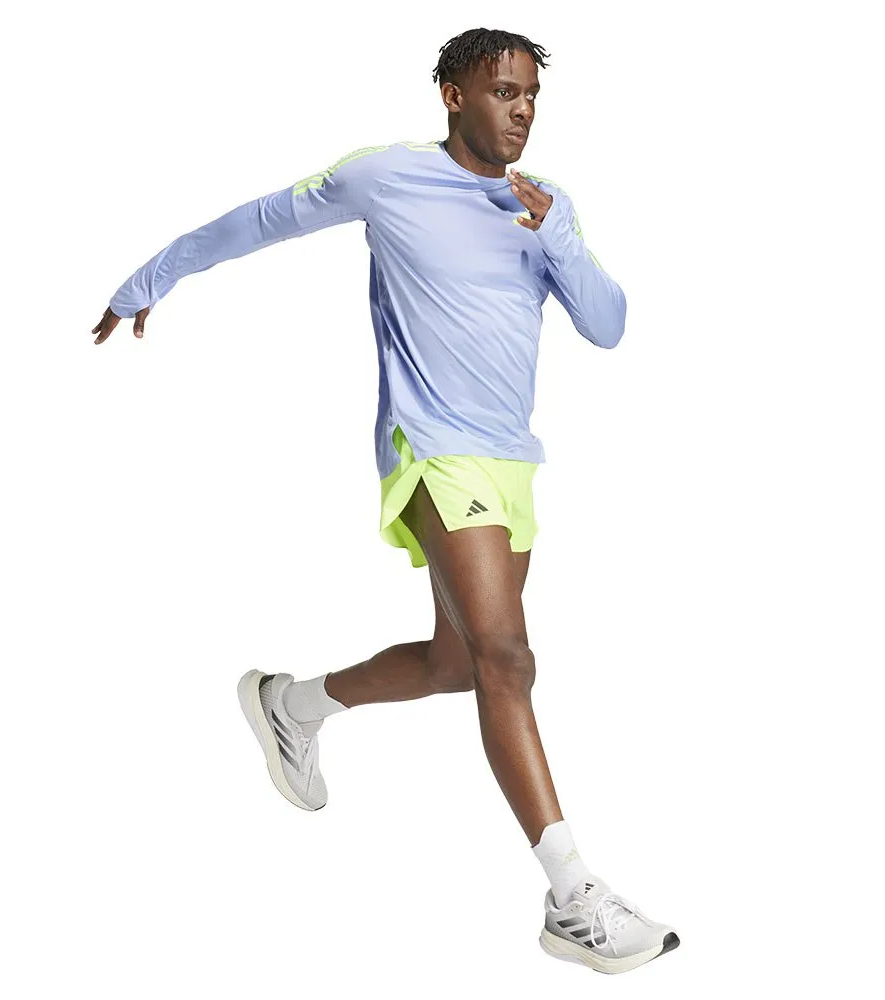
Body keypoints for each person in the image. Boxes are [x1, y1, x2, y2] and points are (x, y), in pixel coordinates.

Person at [93, 27, 679, 975]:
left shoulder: (544, 204)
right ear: (454, 95)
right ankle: (573, 897)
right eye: (504, 91)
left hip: (510, 461)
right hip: (430, 448)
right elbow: (257, 221)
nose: (522, 110)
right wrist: (148, 278)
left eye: (532, 95)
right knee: (508, 657)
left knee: (460, 664)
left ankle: (291, 705)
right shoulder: (387, 177)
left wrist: (557, 237)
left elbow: (608, 326)